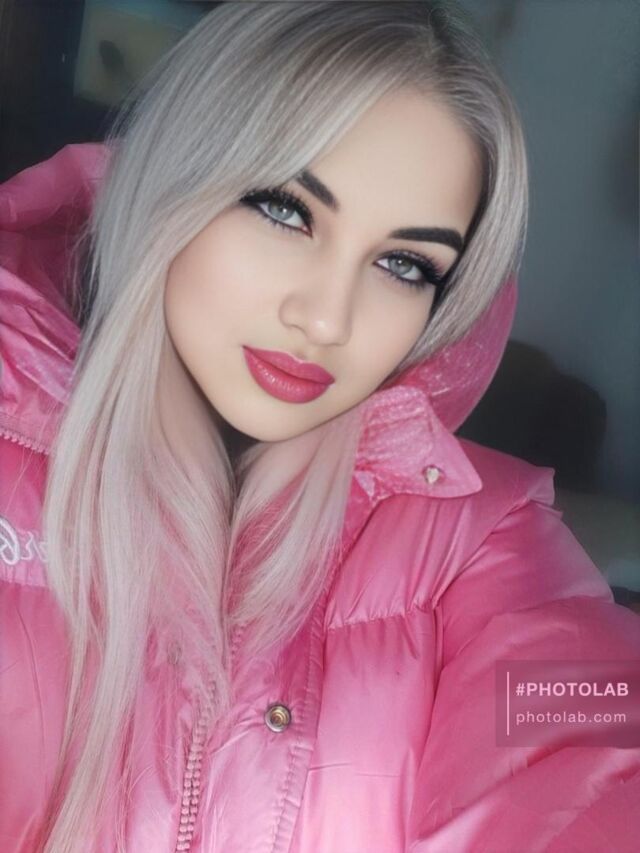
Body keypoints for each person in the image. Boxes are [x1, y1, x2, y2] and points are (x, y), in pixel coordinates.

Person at [0, 2, 638, 851]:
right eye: (285, 210)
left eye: (404, 264)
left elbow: (588, 730)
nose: (328, 318)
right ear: (173, 178)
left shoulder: (480, 544)